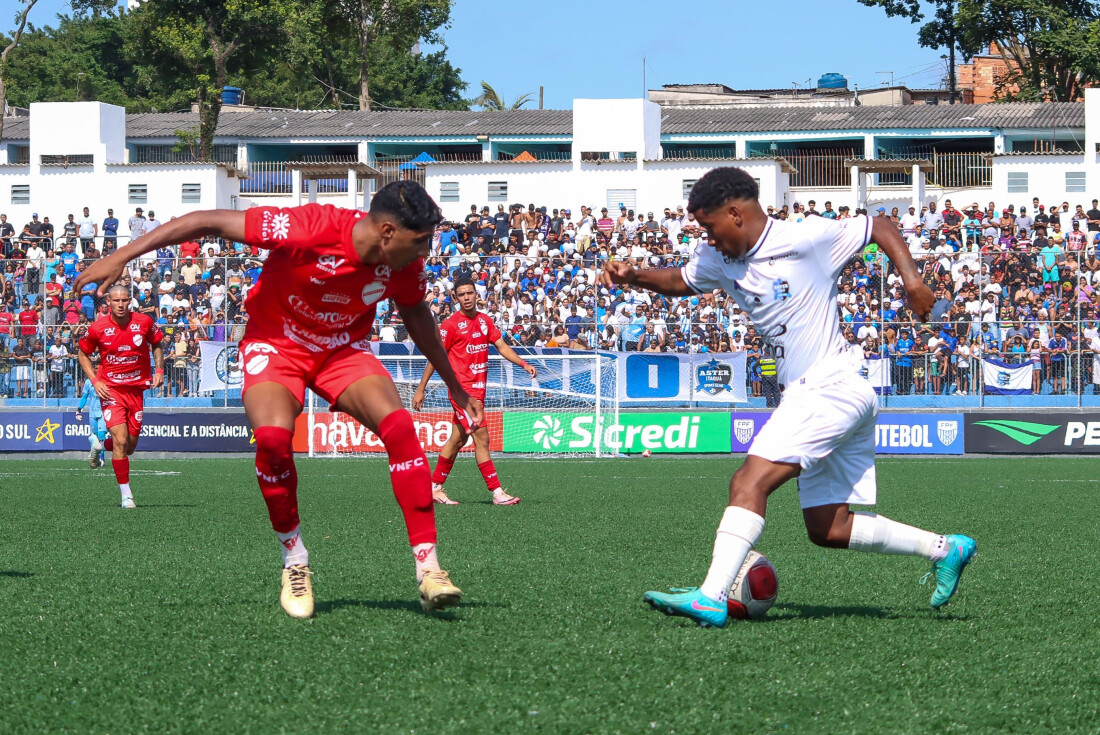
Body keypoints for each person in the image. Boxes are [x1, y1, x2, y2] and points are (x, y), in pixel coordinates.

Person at [76, 181, 480, 620]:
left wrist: (455, 386)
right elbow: (204, 220)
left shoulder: (402, 265)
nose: (425, 252)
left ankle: (430, 568)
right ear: (387, 232)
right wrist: (119, 257)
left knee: (400, 428)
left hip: (341, 350)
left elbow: (416, 312)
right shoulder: (311, 226)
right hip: (276, 344)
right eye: (420, 242)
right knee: (271, 439)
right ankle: (295, 561)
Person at [597, 167, 976, 628]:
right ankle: (944, 548)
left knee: (748, 483)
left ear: (735, 214)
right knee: (827, 528)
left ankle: (711, 595)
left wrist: (912, 281)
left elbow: (880, 225)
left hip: (830, 386)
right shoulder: (719, 258)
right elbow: (679, 280)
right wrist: (633, 275)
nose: (706, 237)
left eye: (709, 226)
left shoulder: (806, 238)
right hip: (826, 393)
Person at [412, 277, 536, 506]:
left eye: (470, 293)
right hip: (463, 394)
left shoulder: (485, 321)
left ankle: (433, 487)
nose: (467, 298)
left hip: (479, 393)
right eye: (462, 294)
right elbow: (435, 357)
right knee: (483, 439)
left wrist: (523, 363)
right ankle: (497, 493)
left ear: (476, 295)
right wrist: (421, 389)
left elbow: (502, 346)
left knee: (457, 440)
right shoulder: (450, 325)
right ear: (456, 298)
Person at [76, 284, 165, 509]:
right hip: (111, 390)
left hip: (136, 390)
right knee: (121, 440)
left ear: (130, 301)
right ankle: (127, 495)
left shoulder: (144, 322)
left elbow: (157, 344)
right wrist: (95, 381)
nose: (121, 304)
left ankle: (98, 445)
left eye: (124, 300)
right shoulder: (98, 328)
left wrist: (160, 370)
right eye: (116, 301)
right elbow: (82, 353)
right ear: (108, 302)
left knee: (130, 447)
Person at [75, 374, 108, 468]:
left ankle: (102, 458)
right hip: (92, 412)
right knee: (94, 437)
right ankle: (96, 458)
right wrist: (79, 410)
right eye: (95, 369)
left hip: (103, 412)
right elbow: (84, 396)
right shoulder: (89, 382)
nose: (97, 371)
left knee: (102, 434)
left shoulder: (106, 380)